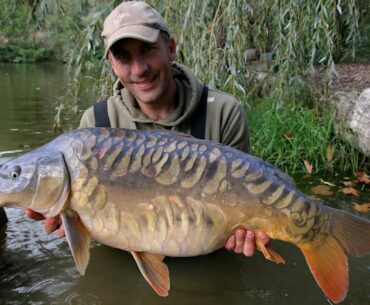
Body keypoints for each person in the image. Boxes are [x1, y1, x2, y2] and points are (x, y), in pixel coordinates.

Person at [26, 1, 269, 257]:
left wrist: (251, 229)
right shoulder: (96, 124)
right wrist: (70, 219)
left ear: (171, 49)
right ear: (111, 63)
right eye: (123, 57)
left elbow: (248, 194)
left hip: (210, 252)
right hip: (125, 258)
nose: (139, 69)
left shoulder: (223, 112)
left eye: (148, 50)